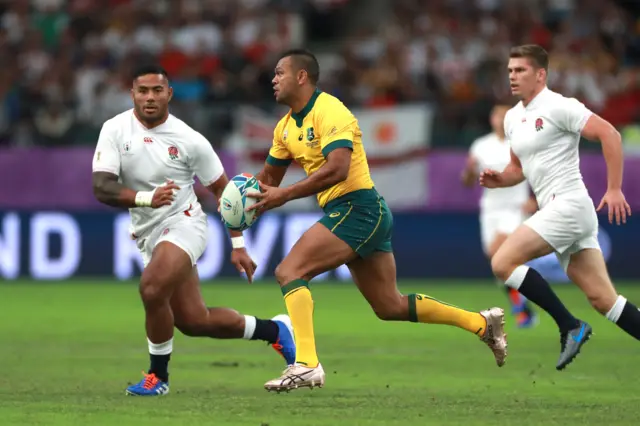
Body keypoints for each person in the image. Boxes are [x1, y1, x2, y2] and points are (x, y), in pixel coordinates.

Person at [246, 49, 508, 393]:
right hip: (354, 213)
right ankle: (481, 323)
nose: (273, 79)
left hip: (358, 207)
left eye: (280, 73)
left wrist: (284, 195)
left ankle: (307, 363)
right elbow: (269, 180)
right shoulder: (284, 128)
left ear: (302, 77)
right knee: (389, 306)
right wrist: (242, 194)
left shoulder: (330, 110)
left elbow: (338, 167)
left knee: (290, 271)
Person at [91, 65, 296, 396]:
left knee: (152, 289)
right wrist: (147, 199)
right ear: (132, 94)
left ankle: (158, 377)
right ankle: (275, 330)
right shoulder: (114, 130)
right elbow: (101, 187)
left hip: (184, 223)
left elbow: (224, 193)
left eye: (157, 90)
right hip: (147, 231)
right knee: (193, 321)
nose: (150, 97)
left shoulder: (189, 140)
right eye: (142, 91)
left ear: (169, 94)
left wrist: (238, 245)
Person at [480, 44, 638, 371]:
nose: (513, 76)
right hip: (559, 211)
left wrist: (613, 188)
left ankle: (569, 326)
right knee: (604, 300)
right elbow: (519, 168)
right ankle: (573, 325)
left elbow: (610, 134)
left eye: (520, 70)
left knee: (502, 262)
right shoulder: (512, 118)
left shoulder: (559, 106)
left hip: (568, 204)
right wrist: (501, 179)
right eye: (510, 70)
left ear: (540, 74)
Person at [462, 104, 538, 328]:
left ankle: (522, 307)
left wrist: (536, 199)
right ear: (491, 119)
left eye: (505, 116)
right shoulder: (480, 145)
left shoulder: (521, 144)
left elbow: (536, 172)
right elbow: (467, 182)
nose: (501, 119)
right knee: (497, 261)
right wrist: (468, 170)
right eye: (497, 115)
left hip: (515, 208)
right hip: (490, 209)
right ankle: (523, 307)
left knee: (499, 252)